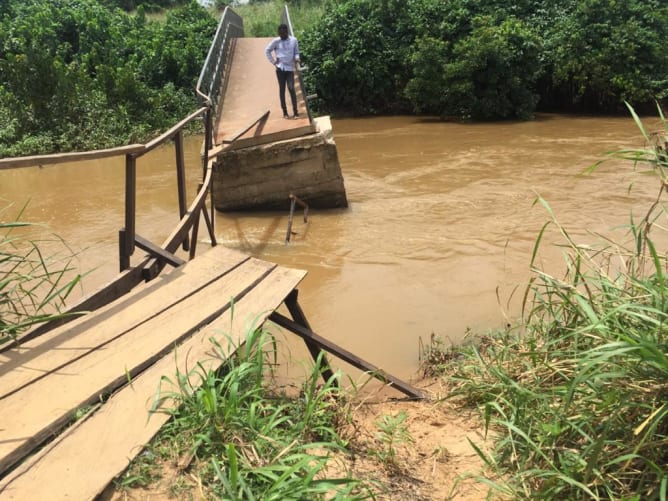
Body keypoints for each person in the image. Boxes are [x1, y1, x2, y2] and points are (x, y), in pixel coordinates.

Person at [265, 24, 300, 119]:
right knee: (282, 89)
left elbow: (296, 52)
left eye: (284, 33)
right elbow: (267, 50)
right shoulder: (276, 41)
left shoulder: (293, 40)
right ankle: (285, 112)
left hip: (290, 68)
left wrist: (297, 58)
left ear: (287, 32)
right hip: (280, 68)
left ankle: (296, 112)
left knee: (291, 88)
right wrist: (273, 62)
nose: (282, 35)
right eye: (280, 34)